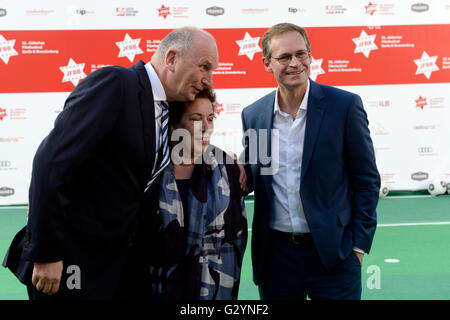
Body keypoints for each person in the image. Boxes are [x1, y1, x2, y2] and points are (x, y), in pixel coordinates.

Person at [2, 26, 219, 299]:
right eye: (204, 67)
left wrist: (226, 163)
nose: (209, 79)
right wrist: (46, 254)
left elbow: (180, 152)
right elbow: (51, 163)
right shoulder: (117, 83)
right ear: (172, 58)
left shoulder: (165, 110)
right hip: (70, 265)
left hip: (115, 268)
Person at [240, 23, 380, 300]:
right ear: (267, 63)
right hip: (276, 259)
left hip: (334, 255)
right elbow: (257, 172)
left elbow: (366, 180)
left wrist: (358, 247)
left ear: (310, 56)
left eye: (301, 54)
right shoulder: (253, 115)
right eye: (284, 57)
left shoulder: (345, 106)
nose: (295, 63)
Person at [149, 89, 248, 300]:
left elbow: (237, 240)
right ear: (173, 124)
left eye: (210, 118)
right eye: (196, 119)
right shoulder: (149, 172)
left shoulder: (228, 169)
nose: (206, 128)